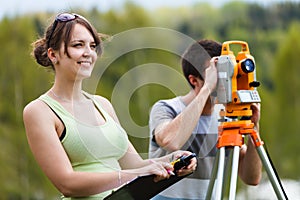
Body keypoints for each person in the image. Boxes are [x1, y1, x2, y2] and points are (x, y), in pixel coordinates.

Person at [23, 13, 197, 199]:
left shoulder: (102, 105)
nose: (88, 53)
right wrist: (131, 175)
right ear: (53, 54)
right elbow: (67, 184)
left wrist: (173, 160)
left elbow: (134, 165)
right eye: (78, 45)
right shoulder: (40, 111)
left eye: (92, 46)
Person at [148, 39, 262, 199]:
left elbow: (252, 178)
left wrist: (254, 127)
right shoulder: (166, 108)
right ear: (194, 80)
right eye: (217, 74)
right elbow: (171, 141)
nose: (224, 81)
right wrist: (208, 87)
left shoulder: (226, 115)